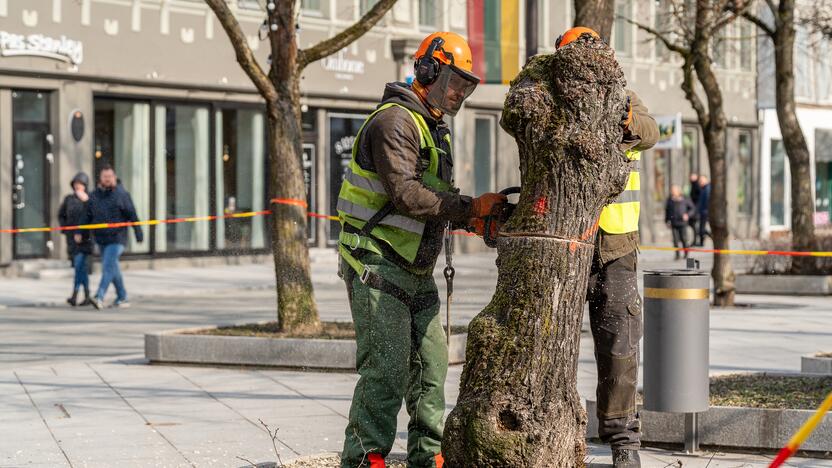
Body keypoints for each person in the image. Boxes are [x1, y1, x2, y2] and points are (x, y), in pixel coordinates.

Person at [336, 32, 505, 468]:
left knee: (431, 370)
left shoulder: (434, 129)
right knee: (387, 370)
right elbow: (406, 195)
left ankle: (428, 456)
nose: (456, 92)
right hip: (375, 260)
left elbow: (433, 198)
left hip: (413, 266)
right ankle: (364, 458)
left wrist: (473, 217)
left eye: (464, 86)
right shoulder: (394, 122)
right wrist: (469, 209)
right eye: (452, 80)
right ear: (427, 70)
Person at [556, 27, 659, 468]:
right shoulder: (551, 105)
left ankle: (622, 441)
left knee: (619, 346)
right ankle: (558, 425)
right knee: (554, 341)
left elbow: (650, 131)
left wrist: (622, 121)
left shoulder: (625, 99)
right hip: (567, 243)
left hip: (616, 248)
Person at [83, 165, 143, 309]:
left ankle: (99, 296)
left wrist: (138, 232)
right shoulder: (94, 196)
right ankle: (122, 296)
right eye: (105, 177)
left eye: (110, 177)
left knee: (108, 265)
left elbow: (132, 214)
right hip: (101, 239)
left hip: (117, 238)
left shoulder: (122, 195)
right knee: (113, 267)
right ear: (101, 178)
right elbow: (87, 216)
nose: (108, 179)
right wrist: (81, 232)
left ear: (114, 177)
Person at [58, 172, 94, 306]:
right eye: (76, 184)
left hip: (86, 238)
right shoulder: (68, 199)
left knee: (80, 266)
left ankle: (75, 294)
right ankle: (87, 295)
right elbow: (61, 215)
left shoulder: (90, 199)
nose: (78, 187)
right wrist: (65, 228)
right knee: (80, 268)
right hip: (72, 238)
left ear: (85, 185)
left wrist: (86, 201)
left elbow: (93, 215)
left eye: (80, 184)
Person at [665, 185, 696, 260]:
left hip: (682, 222)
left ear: (678, 191)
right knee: (675, 240)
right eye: (672, 190)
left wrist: (687, 215)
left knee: (684, 239)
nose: (672, 191)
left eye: (674, 190)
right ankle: (677, 255)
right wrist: (667, 221)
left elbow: (692, 208)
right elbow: (667, 211)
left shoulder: (685, 198)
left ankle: (686, 254)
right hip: (673, 222)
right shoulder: (670, 199)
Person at [696, 175, 711, 246]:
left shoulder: (707, 188)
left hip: (705, 212)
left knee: (702, 229)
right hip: (703, 211)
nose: (700, 182)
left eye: (702, 180)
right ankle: (701, 242)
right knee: (701, 228)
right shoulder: (703, 188)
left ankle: (711, 236)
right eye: (700, 181)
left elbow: (707, 201)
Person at [687, 173, 700, 241]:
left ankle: (697, 238)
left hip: (695, 208)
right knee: (693, 224)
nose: (691, 178)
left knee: (693, 224)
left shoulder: (696, 185)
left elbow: (698, 197)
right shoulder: (693, 185)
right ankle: (696, 238)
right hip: (693, 207)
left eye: (693, 177)